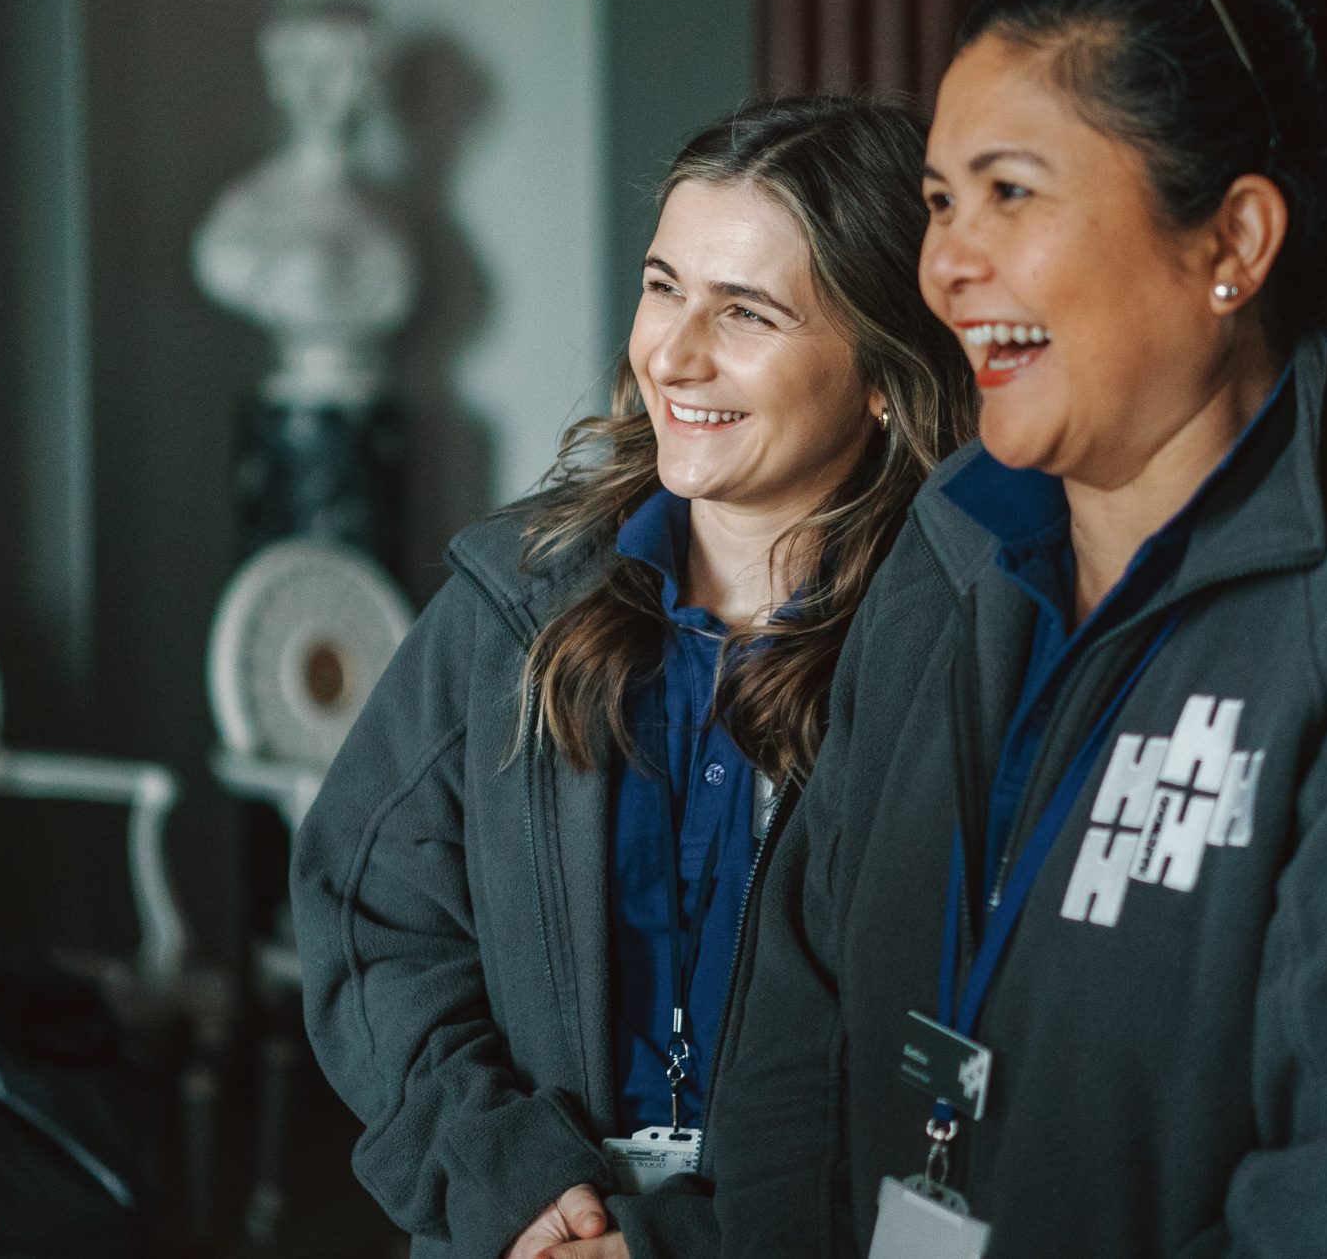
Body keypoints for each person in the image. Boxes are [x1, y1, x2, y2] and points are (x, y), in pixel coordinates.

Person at [708, 0, 1327, 1257]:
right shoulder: (950, 544)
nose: (948, 263)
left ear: (1233, 238)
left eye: (1012, 192)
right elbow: (798, 1018)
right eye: (944, 201)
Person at [295, 95, 975, 1259]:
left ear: (882, 369)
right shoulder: (515, 601)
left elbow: (980, 1041)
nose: (673, 352)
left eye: (747, 311)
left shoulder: (958, 649)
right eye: (663, 286)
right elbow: (371, 917)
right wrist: (500, 1171)